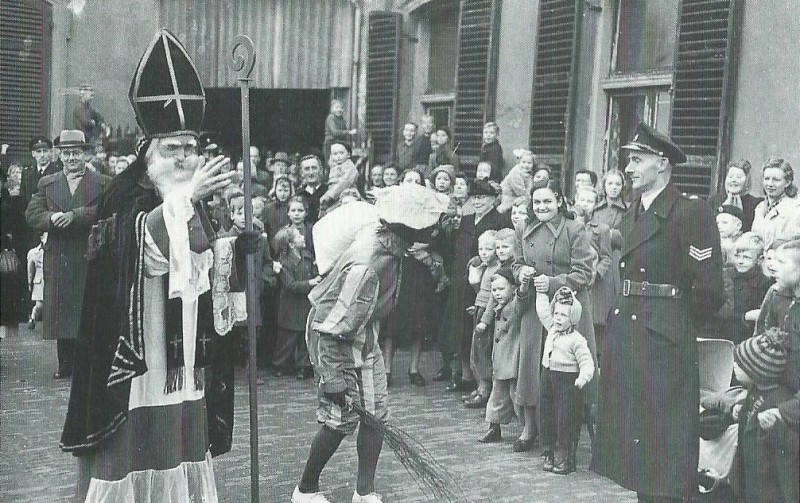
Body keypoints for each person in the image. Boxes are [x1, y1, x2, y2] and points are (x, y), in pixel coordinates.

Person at [59, 29, 252, 502]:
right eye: (173, 148)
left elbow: (204, 259)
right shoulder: (124, 195)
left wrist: (235, 246)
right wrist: (185, 203)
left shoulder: (192, 196)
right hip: (138, 352)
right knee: (135, 445)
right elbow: (143, 247)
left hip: (186, 350)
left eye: (190, 146)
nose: (185, 156)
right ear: (149, 151)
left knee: (182, 431)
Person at [592, 123, 725, 502]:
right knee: (637, 452)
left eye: (637, 160)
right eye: (628, 160)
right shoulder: (633, 212)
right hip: (629, 336)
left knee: (663, 453)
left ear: (662, 164)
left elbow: (709, 292)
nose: (628, 169)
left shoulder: (690, 213)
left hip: (664, 341)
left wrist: (676, 327)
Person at [292, 184, 449, 503]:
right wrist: (333, 378)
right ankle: (306, 488)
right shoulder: (368, 266)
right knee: (340, 419)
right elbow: (331, 327)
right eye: (429, 223)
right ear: (409, 228)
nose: (435, 227)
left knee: (376, 414)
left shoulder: (389, 241)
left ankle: (364, 491)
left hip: (363, 333)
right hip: (335, 338)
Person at [513, 179, 596, 455]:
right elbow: (515, 262)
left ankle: (563, 436)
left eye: (548, 201)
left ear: (560, 201)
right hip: (535, 308)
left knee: (562, 370)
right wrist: (521, 272)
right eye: (537, 202)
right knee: (530, 366)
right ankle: (529, 427)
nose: (542, 207)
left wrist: (552, 282)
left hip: (566, 306)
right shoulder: (524, 228)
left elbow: (584, 272)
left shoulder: (574, 229)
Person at [25, 129, 110, 379]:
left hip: (89, 251)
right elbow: (31, 214)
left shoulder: (102, 182)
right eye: (66, 153)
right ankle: (66, 364)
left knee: (88, 309)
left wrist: (76, 215)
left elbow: (106, 210)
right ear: (59, 156)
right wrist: (52, 218)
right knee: (62, 311)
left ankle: (89, 364)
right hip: (59, 253)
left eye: (76, 153)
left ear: (85, 155)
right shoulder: (47, 183)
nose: (71, 158)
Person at [731, 328, 798, 502]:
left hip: (770, 487)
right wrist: (739, 409)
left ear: (757, 371)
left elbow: (791, 447)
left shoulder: (780, 402)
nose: (734, 367)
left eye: (739, 364)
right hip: (753, 479)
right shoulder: (754, 391)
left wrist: (775, 427)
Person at [536, 287, 594, 474]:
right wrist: (541, 292)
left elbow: (587, 362)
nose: (558, 318)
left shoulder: (577, 340)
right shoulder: (552, 329)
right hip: (548, 376)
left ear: (573, 319)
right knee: (546, 414)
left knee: (565, 419)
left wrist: (582, 378)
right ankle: (548, 452)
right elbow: (543, 310)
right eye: (557, 313)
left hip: (567, 382)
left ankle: (565, 456)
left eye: (564, 315)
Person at [477, 267, 528, 445]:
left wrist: (523, 284)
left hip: (513, 358)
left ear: (513, 288)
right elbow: (490, 308)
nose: (497, 294)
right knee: (497, 395)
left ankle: (529, 428)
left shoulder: (515, 303)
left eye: (501, 289)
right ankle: (494, 427)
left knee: (517, 396)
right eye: (494, 290)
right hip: (501, 360)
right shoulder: (499, 304)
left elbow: (522, 299)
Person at [274, 226, 320, 380]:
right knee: (287, 338)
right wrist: (311, 282)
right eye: (299, 235)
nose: (302, 236)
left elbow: (314, 273)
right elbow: (290, 285)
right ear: (291, 244)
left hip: (305, 304)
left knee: (303, 337)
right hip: (290, 305)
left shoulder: (307, 257)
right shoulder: (284, 262)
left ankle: (303, 366)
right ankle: (280, 364)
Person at [465, 230, 501, 409]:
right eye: (481, 248)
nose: (484, 252)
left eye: (489, 248)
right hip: (480, 309)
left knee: (483, 352)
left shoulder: (497, 269)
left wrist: (484, 314)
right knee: (476, 350)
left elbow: (493, 297)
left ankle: (485, 390)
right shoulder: (486, 267)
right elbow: (482, 292)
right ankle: (480, 386)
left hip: (488, 314)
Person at [714, 232, 771, 345]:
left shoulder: (764, 282)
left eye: (746, 257)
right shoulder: (726, 276)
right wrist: (744, 316)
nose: (740, 261)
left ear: (759, 260)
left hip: (749, 336)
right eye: (737, 256)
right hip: (724, 331)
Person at [751, 157, 800, 251]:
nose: (770, 184)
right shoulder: (760, 208)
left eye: (776, 180)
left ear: (788, 182)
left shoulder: (796, 209)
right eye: (766, 178)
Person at [708, 159, 763, 232]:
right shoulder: (713, 200)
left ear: (747, 181)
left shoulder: (756, 203)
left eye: (739, 177)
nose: (733, 180)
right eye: (730, 177)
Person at [320, 141, 358, 216]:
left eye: (341, 153)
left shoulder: (349, 167)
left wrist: (330, 195)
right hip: (334, 195)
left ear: (348, 154)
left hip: (345, 192)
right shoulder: (333, 167)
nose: (338, 156)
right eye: (335, 154)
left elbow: (345, 181)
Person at [297, 154, 328, 224]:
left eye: (314, 168)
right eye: (307, 169)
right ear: (302, 173)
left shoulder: (329, 192)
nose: (311, 173)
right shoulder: (298, 195)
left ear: (321, 170)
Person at [323, 99, 356, 163]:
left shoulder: (342, 119)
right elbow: (335, 132)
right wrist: (348, 132)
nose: (339, 110)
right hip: (330, 144)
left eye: (341, 108)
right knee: (331, 164)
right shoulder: (330, 118)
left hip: (339, 143)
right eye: (337, 107)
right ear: (332, 109)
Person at [26, 231, 46, 329]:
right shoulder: (33, 252)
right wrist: (29, 283)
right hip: (40, 281)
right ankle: (33, 318)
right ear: (41, 237)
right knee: (40, 305)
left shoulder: (54, 251)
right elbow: (30, 269)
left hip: (51, 280)